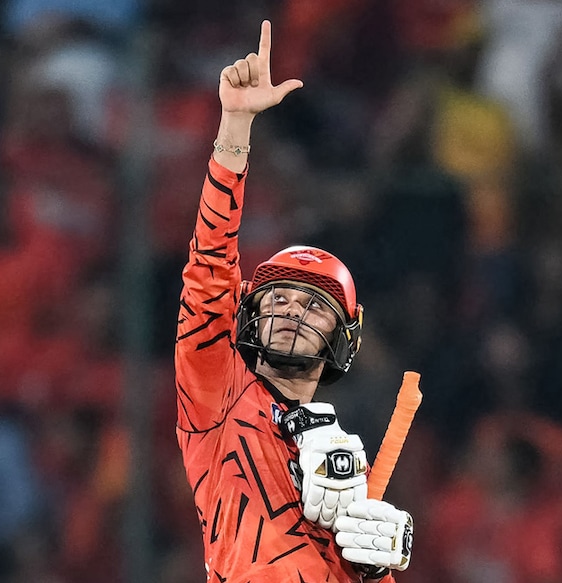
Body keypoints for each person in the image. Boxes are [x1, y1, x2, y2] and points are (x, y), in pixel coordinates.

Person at [175, 20, 414, 583]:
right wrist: (235, 126)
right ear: (250, 316)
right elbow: (209, 270)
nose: (290, 311)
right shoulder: (215, 398)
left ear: (343, 335)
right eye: (278, 298)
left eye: (313, 306)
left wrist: (378, 571)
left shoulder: (343, 459)